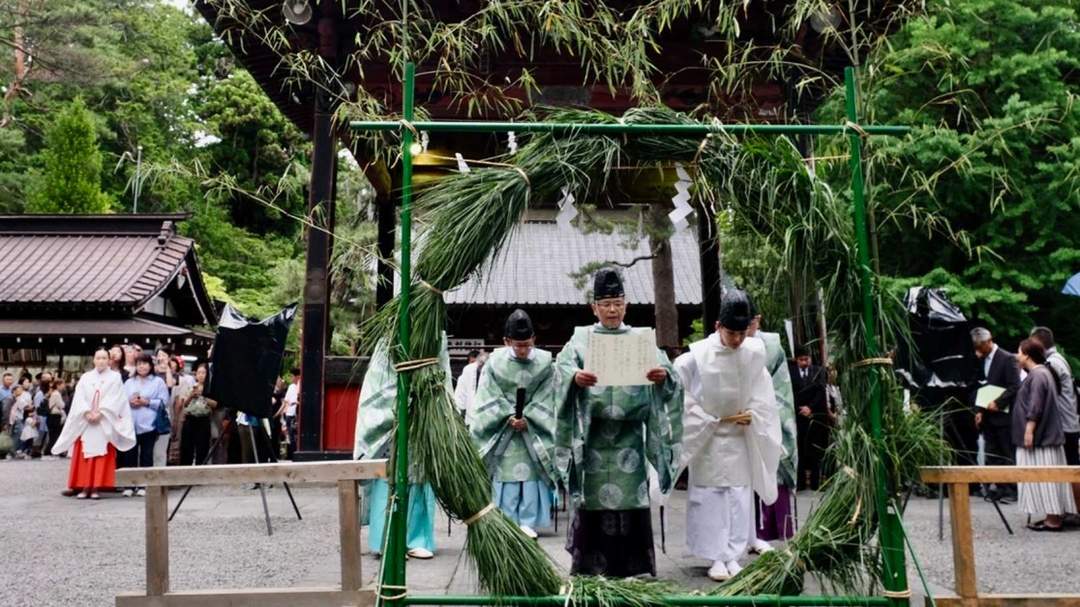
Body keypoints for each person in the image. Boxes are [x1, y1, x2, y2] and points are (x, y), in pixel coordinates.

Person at [555, 268, 683, 578]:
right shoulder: (580, 338)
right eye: (606, 303)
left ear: (626, 304)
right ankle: (590, 569)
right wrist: (574, 378)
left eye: (618, 303)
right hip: (594, 437)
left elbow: (672, 380)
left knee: (630, 501)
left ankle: (633, 569)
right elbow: (560, 369)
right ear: (594, 307)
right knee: (593, 503)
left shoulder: (641, 339)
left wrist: (662, 377)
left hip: (630, 440)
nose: (612, 310)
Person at [676, 289, 782, 581]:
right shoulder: (695, 357)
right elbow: (677, 393)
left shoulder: (753, 353)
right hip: (708, 438)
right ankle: (715, 557)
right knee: (711, 497)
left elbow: (764, 397)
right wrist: (702, 419)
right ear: (717, 327)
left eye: (742, 333)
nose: (737, 340)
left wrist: (755, 416)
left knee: (738, 496)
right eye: (731, 333)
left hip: (738, 436)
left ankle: (733, 555)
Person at [353, 337, 450, 559]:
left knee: (418, 479)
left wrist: (431, 401)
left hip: (423, 419)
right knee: (389, 479)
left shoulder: (436, 337)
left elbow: (444, 376)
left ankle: (416, 539)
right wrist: (403, 399)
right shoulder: (388, 338)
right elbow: (378, 383)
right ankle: (385, 539)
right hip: (392, 424)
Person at [470, 309, 558, 539]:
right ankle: (506, 518)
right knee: (506, 473)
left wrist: (528, 418)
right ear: (506, 341)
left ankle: (529, 521)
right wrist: (508, 416)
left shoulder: (545, 362)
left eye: (527, 345)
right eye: (517, 345)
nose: (522, 350)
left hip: (531, 429)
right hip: (503, 428)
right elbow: (488, 393)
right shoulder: (493, 362)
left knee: (530, 474)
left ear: (534, 340)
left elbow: (548, 394)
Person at [51, 348, 136, 499]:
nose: (101, 361)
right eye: (98, 358)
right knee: (84, 453)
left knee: (101, 453)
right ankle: (83, 486)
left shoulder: (115, 377)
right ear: (93, 360)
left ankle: (96, 486)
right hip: (86, 421)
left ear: (109, 360)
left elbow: (116, 398)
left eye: (104, 358)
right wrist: (86, 412)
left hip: (104, 420)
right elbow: (79, 397)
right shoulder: (86, 377)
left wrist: (102, 412)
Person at [1013, 338, 1077, 531]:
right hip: (1045, 437)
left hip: (1041, 438)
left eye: (1019, 352)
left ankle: (1053, 519)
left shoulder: (1039, 374)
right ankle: (1052, 516)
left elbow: (1036, 405)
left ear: (1026, 354)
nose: (1017, 356)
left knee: (1047, 477)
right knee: (1049, 478)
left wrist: (1029, 429)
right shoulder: (1042, 372)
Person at [746, 307, 796, 550]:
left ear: (759, 319)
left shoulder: (772, 345)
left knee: (773, 467)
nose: (747, 327)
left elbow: (782, 386)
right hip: (740, 418)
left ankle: (777, 530)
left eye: (751, 320)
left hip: (769, 414)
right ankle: (748, 534)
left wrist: (767, 413)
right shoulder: (729, 342)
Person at [1028, 326, 1080, 515]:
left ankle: (1074, 512)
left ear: (1038, 343)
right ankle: (1072, 511)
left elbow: (1046, 397)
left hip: (1064, 424)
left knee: (1070, 470)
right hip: (1070, 422)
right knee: (1071, 468)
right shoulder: (1058, 360)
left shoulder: (1052, 364)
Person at [971, 327, 1021, 500]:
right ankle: (999, 486)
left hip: (1004, 415)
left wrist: (999, 402)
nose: (977, 350)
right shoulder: (981, 360)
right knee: (992, 452)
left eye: (979, 346)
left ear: (987, 342)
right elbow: (981, 386)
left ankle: (1012, 489)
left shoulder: (1007, 358)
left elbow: (1015, 385)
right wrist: (979, 410)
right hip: (987, 414)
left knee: (1006, 452)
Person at [123, 353, 168, 496]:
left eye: (145, 363)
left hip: (150, 424)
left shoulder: (158, 382)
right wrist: (130, 401)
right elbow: (121, 400)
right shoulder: (129, 382)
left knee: (147, 455)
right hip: (131, 424)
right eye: (139, 364)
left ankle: (144, 485)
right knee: (130, 455)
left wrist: (146, 401)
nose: (142, 366)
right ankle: (130, 485)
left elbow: (163, 402)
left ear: (150, 365)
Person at [789, 345, 828, 490]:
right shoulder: (790, 373)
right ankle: (799, 483)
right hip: (797, 416)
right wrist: (799, 408)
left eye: (807, 359)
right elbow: (789, 392)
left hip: (814, 416)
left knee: (815, 449)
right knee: (798, 449)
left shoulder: (818, 371)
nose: (804, 362)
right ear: (796, 360)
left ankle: (815, 483)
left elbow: (820, 392)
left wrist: (810, 408)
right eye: (801, 360)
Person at [178, 364, 216, 466]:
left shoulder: (211, 388)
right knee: (186, 447)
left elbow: (215, 404)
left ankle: (200, 471)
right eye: (199, 373)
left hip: (203, 419)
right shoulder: (191, 386)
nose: (201, 375)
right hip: (190, 419)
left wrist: (203, 395)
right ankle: (185, 471)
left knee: (202, 448)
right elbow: (184, 404)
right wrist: (191, 395)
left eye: (203, 373)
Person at [455, 349, 486, 426]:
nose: (475, 365)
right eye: (472, 362)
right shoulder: (467, 371)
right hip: (470, 417)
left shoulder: (488, 372)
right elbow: (459, 399)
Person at [281, 369, 300, 460]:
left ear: (297, 376)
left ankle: (295, 454)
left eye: (292, 376)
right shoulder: (292, 386)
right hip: (290, 413)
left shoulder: (298, 386)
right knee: (291, 435)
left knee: (294, 435)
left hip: (294, 413)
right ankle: (293, 455)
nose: (291, 378)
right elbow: (286, 400)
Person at [46, 379, 67, 456]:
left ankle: (50, 449)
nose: (63, 386)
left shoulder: (54, 393)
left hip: (52, 416)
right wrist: (63, 404)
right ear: (58, 385)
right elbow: (61, 405)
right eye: (62, 384)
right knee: (55, 434)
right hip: (55, 416)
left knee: (53, 434)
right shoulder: (56, 394)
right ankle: (51, 450)